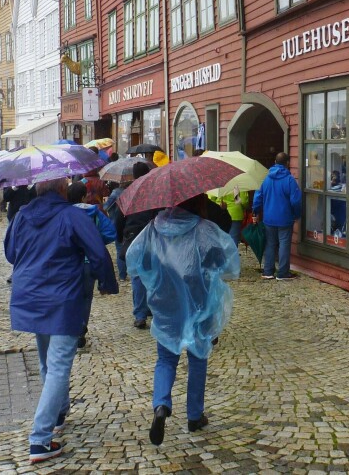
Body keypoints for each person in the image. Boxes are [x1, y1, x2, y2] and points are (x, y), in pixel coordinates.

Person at [5, 177, 118, 463]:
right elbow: (98, 252)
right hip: (63, 299)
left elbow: (10, 253)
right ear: (61, 189)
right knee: (57, 368)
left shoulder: (21, 216)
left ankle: (58, 412)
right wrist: (106, 283)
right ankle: (40, 440)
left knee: (47, 363)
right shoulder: (71, 215)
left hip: (30, 297)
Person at [126, 193, 240, 446]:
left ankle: (161, 405)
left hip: (165, 303)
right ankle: (194, 415)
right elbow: (223, 263)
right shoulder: (204, 229)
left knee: (166, 359)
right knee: (198, 357)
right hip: (200, 302)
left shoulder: (154, 228)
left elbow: (138, 260)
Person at [66, 181, 117, 349]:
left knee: (70, 296)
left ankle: (70, 327)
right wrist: (94, 242)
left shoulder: (65, 214)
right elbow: (110, 233)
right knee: (87, 297)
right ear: (84, 196)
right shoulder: (95, 213)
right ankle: (81, 329)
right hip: (90, 261)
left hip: (70, 263)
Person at [114, 161, 155, 328]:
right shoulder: (154, 192)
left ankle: (140, 314)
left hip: (133, 237)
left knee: (137, 277)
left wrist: (120, 236)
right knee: (153, 274)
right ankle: (153, 307)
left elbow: (118, 218)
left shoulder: (128, 193)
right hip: (153, 237)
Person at [252, 152, 302, 280]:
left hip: (269, 218)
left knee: (270, 244)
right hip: (285, 218)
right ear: (287, 164)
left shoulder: (266, 179)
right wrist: (296, 214)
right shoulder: (290, 180)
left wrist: (255, 212)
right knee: (284, 245)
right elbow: (295, 201)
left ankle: (268, 271)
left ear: (275, 162)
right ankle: (283, 273)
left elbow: (258, 197)